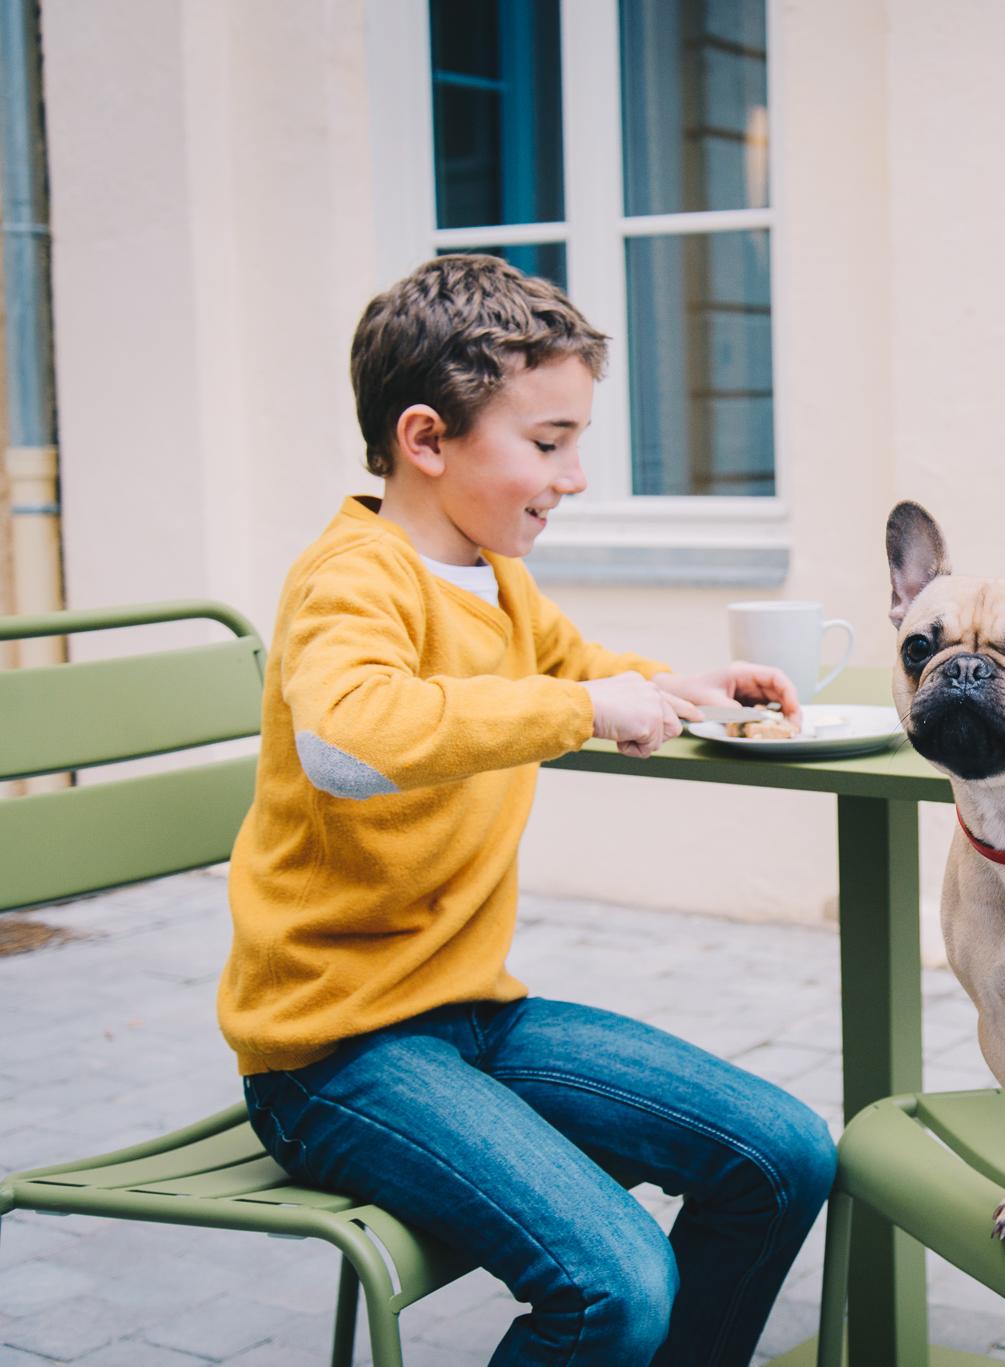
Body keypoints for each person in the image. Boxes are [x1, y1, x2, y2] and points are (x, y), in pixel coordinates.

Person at [217, 254, 835, 1367]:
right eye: (548, 443)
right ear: (426, 439)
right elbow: (349, 738)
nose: (578, 474)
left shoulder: (493, 575)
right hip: (333, 1054)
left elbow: (572, 665)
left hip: (469, 1014)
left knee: (782, 1150)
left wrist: (685, 685)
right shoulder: (352, 577)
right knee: (614, 1283)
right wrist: (585, 706)